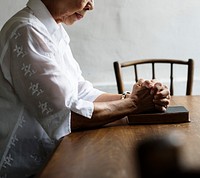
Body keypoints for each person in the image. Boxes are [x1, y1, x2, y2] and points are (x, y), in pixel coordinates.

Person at [0, 0, 170, 177]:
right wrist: (135, 104)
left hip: (53, 160)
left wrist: (132, 97)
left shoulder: (52, 30)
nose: (91, 5)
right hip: (25, 171)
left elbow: (81, 92)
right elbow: (67, 116)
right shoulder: (26, 30)